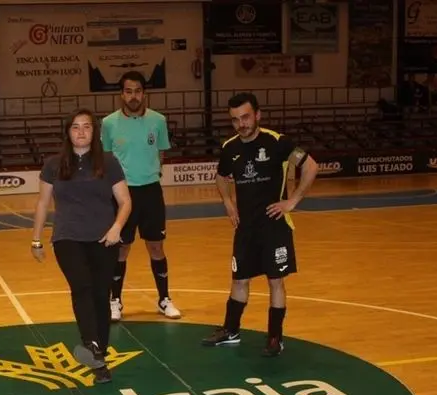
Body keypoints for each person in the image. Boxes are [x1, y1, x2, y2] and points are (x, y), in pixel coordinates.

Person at [201, 92, 318, 356]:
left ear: (258, 115)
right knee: (239, 279)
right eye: (235, 120)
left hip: (274, 226)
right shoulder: (230, 148)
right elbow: (221, 176)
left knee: (275, 281)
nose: (241, 124)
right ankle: (230, 330)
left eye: (245, 117)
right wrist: (228, 202)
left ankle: (275, 338)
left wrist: (292, 201)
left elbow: (311, 166)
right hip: (245, 228)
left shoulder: (278, 142)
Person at [31, 108, 132, 384]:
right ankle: (91, 344)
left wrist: (116, 228)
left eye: (86, 126)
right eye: (75, 127)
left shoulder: (108, 162)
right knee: (82, 286)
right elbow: (42, 203)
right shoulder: (53, 164)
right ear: (67, 132)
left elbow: (125, 201)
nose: (81, 132)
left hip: (104, 238)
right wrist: (36, 239)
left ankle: (99, 359)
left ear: (94, 132)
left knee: (101, 295)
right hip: (68, 237)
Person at [101, 70, 181, 322]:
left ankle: (164, 299)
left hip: (151, 192)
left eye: (137, 91)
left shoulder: (158, 120)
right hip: (122, 193)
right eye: (128, 91)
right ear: (121, 94)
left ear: (144, 93)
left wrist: (150, 172)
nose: (133, 96)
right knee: (121, 249)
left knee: (156, 246)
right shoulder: (108, 123)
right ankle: (115, 301)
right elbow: (105, 159)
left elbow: (161, 153)